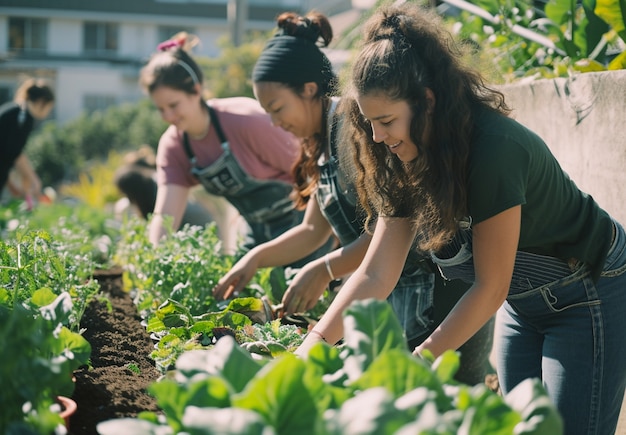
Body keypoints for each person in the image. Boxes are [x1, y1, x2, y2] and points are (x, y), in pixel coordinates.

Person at [296, 4, 626, 434]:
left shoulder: (495, 150)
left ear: (427, 101)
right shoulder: (399, 156)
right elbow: (376, 274)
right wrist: (313, 346)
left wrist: (419, 365)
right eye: (369, 123)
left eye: (387, 121)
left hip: (588, 293)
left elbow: (490, 286)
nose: (377, 137)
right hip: (522, 305)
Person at [212, 11, 494, 384]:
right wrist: (256, 257)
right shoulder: (319, 144)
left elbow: (384, 239)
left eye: (277, 109)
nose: (275, 123)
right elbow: (314, 230)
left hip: (431, 299)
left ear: (309, 89)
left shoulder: (354, 131)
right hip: (387, 298)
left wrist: (325, 269)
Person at [139, 32, 332, 265]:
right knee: (240, 294)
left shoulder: (245, 121)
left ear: (196, 90)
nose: (168, 116)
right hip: (256, 230)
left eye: (173, 105)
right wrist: (155, 260)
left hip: (303, 224)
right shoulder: (174, 147)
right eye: (161, 109)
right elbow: (165, 215)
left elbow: (315, 176)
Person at [114, 146, 214, 228]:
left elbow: (161, 225)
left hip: (200, 228)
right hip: (203, 224)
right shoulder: (153, 182)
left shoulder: (158, 190)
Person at [0, 78, 54, 202]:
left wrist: (10, 184)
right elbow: (16, 153)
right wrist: (34, 180)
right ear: (41, 102)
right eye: (49, 108)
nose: (47, 113)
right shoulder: (24, 117)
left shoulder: (16, 111)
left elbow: (6, 152)